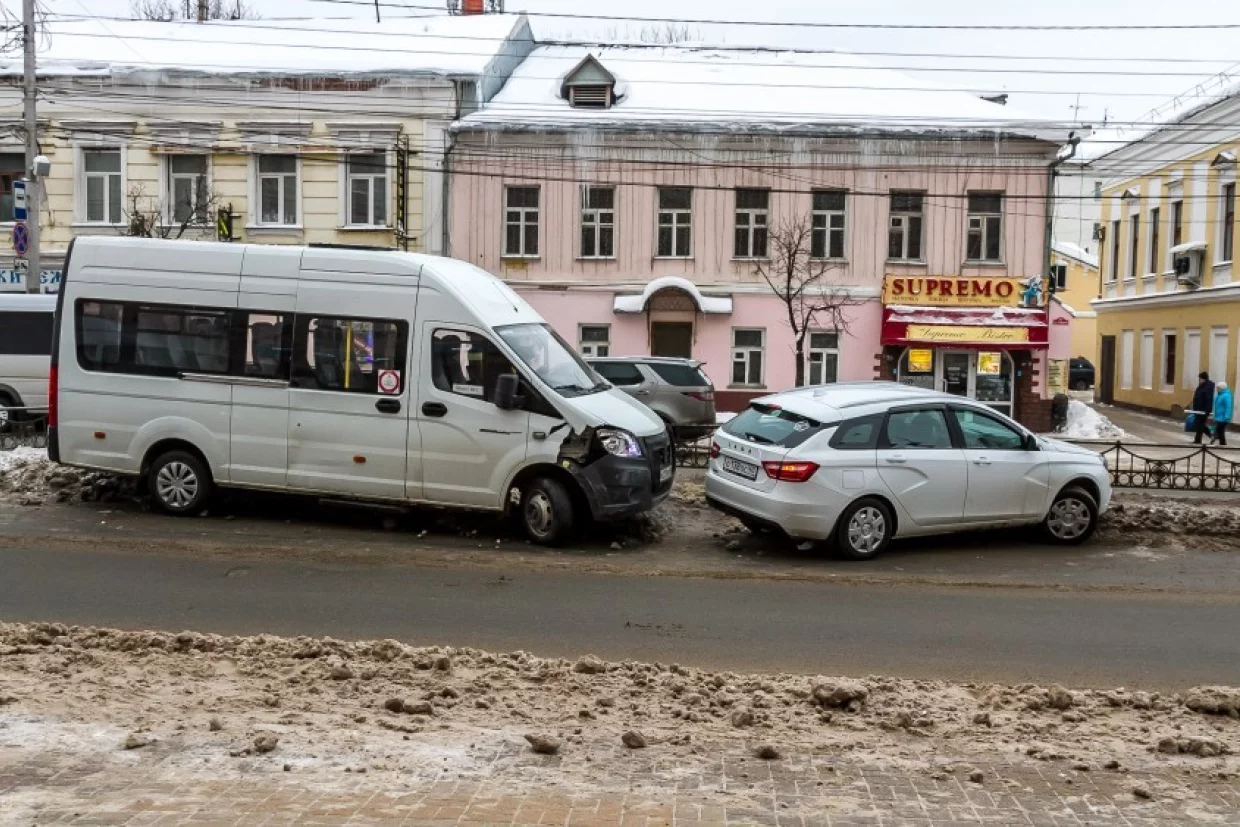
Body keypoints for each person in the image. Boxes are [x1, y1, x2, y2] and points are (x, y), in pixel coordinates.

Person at [1191, 372, 1216, 444]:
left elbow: (1208, 399)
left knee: (1200, 424)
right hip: (1198, 409)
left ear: (1203, 379)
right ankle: (1209, 436)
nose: (1199, 380)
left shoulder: (1208, 387)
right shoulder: (1202, 386)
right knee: (1200, 424)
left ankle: (1198, 440)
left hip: (1203, 410)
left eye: (1200, 378)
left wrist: (1207, 410)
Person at [1211, 381, 1233, 446]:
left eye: (1218, 388)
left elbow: (1228, 406)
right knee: (1220, 430)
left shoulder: (1226, 396)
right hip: (1219, 417)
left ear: (1222, 388)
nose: (1217, 389)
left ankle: (1222, 443)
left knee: (1220, 430)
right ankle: (1221, 442)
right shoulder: (1220, 395)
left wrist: (1227, 416)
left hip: (1223, 417)